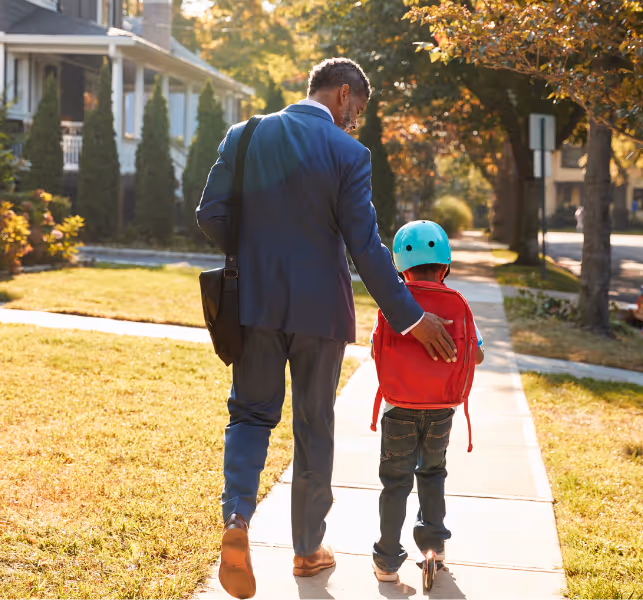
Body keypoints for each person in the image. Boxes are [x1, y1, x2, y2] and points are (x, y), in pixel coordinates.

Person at [196, 58, 457, 599]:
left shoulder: (243, 136)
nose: (355, 124)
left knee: (249, 413)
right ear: (342, 95)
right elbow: (365, 247)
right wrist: (410, 316)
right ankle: (307, 549)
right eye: (357, 112)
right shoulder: (347, 153)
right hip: (321, 312)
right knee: (314, 428)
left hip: (254, 304)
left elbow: (210, 214)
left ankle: (237, 521)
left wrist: (254, 253)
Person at [369, 220, 485, 583]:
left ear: (401, 268)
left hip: (398, 407)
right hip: (440, 410)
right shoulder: (457, 302)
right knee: (432, 474)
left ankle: (387, 561)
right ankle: (433, 548)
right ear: (445, 266)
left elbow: (376, 349)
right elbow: (476, 355)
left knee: (395, 482)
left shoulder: (395, 303)